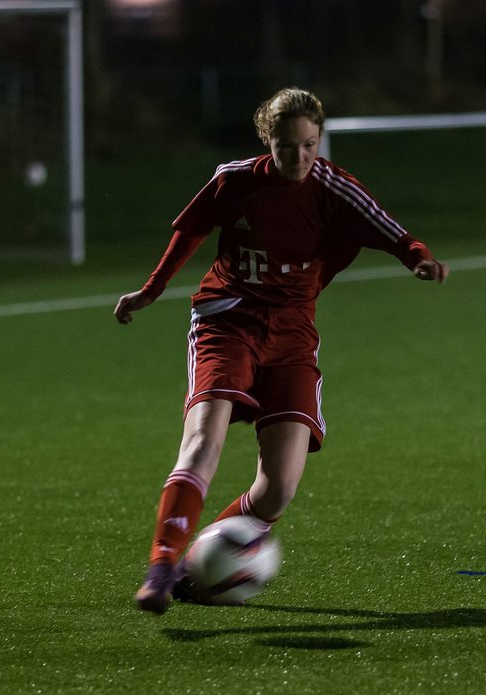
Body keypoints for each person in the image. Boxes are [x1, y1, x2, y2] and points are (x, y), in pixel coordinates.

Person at [115, 87, 449, 615]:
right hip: (229, 319)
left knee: (277, 490)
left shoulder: (335, 189)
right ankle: (160, 569)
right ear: (267, 140)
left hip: (293, 334)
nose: (300, 158)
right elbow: (190, 231)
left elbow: (396, 234)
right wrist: (151, 291)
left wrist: (420, 259)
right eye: (288, 146)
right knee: (204, 442)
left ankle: (192, 565)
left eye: (311, 145)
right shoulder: (235, 180)